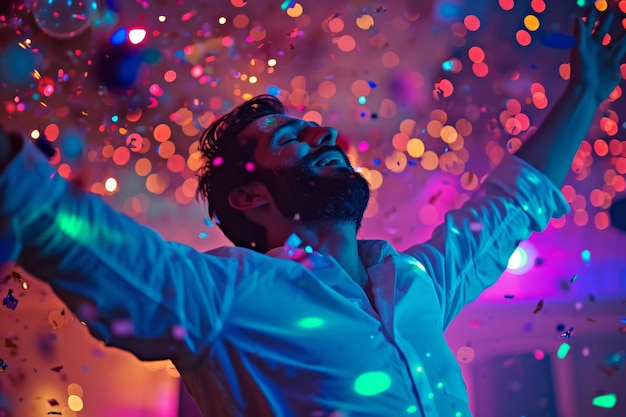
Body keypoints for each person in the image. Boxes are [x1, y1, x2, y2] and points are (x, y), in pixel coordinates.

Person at [1, 8, 625, 417]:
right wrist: (13, 174)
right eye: (289, 141)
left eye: (314, 131)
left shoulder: (416, 284)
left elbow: (512, 203)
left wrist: (586, 93)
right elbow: (113, 260)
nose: (324, 137)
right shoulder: (235, 294)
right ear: (251, 197)